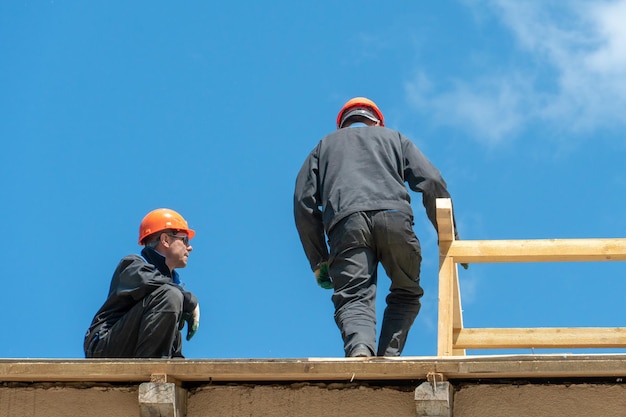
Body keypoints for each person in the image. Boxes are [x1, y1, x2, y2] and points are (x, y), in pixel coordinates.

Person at [294, 97, 461, 358]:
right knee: (406, 291)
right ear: (377, 122)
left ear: (342, 125)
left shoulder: (323, 147)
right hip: (394, 218)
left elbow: (303, 203)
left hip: (346, 224)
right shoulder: (394, 138)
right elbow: (432, 181)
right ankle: (387, 358)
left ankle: (361, 350)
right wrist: (449, 234)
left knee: (353, 296)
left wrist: (319, 260)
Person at [84, 208, 200, 358]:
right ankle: (154, 370)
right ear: (165, 240)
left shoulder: (169, 285)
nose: (189, 247)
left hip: (130, 346)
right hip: (103, 347)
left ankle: (162, 367)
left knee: (172, 302)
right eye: (185, 240)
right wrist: (189, 299)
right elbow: (149, 281)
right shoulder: (132, 266)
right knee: (171, 297)